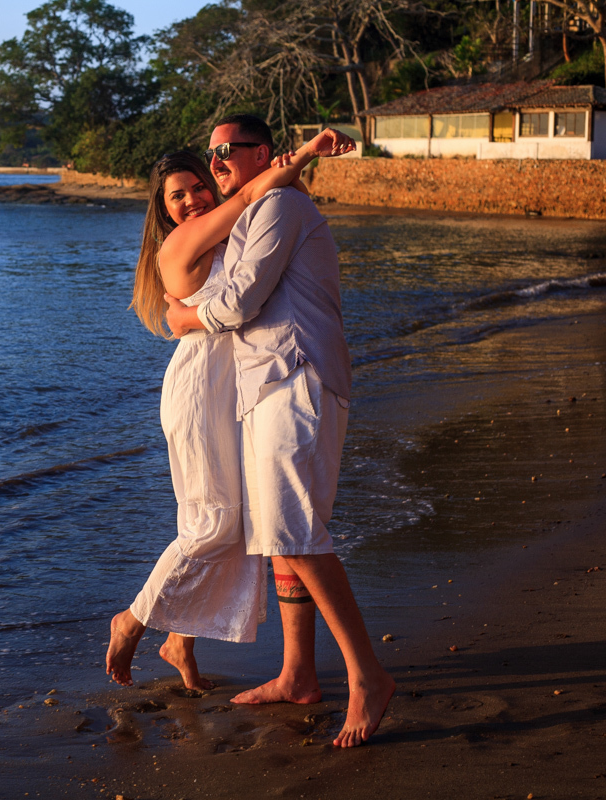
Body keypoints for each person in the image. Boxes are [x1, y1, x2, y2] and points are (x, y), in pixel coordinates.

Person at [165, 114, 395, 748]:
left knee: (293, 533)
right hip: (270, 383)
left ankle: (367, 676)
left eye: (225, 152)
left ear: (262, 153)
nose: (214, 164)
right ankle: (298, 675)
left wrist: (186, 318)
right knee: (283, 536)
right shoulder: (258, 204)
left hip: (296, 377)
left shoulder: (282, 207)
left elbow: (239, 301)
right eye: (209, 154)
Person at [106, 132, 353, 692]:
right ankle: (134, 619)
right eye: (177, 196)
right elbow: (247, 199)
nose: (191, 199)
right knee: (215, 519)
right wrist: (307, 154)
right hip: (201, 388)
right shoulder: (184, 242)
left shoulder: (232, 236)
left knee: (235, 519)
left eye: (198, 186)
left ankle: (179, 643)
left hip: (238, 383)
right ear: (162, 211)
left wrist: (285, 166)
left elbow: (253, 204)